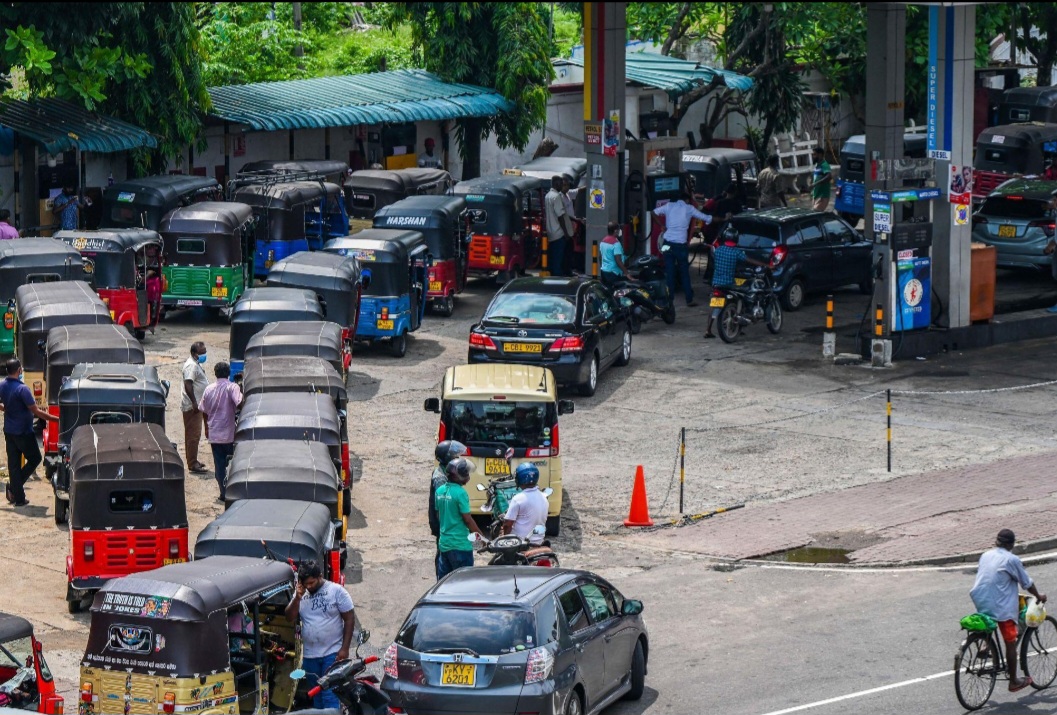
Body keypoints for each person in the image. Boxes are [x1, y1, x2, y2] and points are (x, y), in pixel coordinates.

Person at [969, 528, 1047, 692]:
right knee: (1010, 642)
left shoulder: (986, 555)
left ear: (997, 542)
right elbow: (1026, 583)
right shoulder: (1012, 560)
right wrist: (1038, 596)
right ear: (1011, 544)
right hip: (999, 605)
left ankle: (985, 644)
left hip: (980, 599)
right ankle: (1014, 681)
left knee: (991, 618)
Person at [284, 561, 355, 710]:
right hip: (310, 656)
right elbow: (289, 617)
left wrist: (345, 648)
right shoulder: (301, 594)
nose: (309, 586)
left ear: (320, 576)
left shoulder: (336, 591)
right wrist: (297, 597)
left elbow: (349, 619)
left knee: (329, 694)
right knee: (316, 694)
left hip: (332, 653)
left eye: (312, 582)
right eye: (306, 584)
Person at [653, 190, 725, 308]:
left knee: (669, 271)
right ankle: (689, 299)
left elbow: (653, 212)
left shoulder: (669, 206)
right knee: (684, 272)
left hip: (667, 244)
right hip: (680, 245)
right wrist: (723, 218)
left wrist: (662, 226)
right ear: (687, 200)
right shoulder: (689, 208)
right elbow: (707, 218)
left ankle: (669, 300)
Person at [0, 358, 57, 508]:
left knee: (13, 464)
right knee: (35, 458)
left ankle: (18, 497)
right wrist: (56, 419)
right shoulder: (22, 389)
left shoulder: (2, 385)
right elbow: (37, 411)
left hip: (9, 431)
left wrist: (5, 408)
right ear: (19, 370)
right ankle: (14, 487)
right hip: (23, 432)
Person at [704, 226, 767, 339]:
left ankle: (708, 330)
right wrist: (763, 265)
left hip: (716, 283)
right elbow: (749, 260)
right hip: (729, 283)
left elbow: (713, 256)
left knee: (714, 306)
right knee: (742, 297)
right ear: (736, 239)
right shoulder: (736, 252)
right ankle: (739, 323)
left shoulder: (718, 250)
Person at [198, 362, 242, 502]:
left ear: (215, 373)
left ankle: (223, 493)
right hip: (229, 434)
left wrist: (206, 427)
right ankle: (233, 492)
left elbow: (203, 410)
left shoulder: (208, 389)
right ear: (228, 373)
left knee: (219, 465)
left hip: (214, 434)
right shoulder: (232, 387)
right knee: (234, 464)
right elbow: (240, 402)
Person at [434, 457, 483, 580]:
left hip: (444, 544)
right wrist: (480, 536)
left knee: (445, 583)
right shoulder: (461, 493)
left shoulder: (440, 490)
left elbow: (438, 514)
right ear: (458, 476)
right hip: (460, 545)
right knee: (463, 583)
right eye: (465, 473)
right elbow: (467, 519)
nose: (468, 476)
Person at [429, 440, 468, 575]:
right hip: (443, 525)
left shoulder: (444, 472)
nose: (456, 458)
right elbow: (444, 505)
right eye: (453, 456)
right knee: (443, 556)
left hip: (445, 526)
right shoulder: (440, 478)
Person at [502, 463, 549, 545]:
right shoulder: (544, 497)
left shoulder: (518, 499)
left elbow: (508, 524)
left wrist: (504, 539)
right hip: (539, 542)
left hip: (520, 543)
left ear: (519, 479)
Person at [181, 342, 209, 474]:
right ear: (194, 354)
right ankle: (192, 463)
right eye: (202, 352)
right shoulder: (191, 366)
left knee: (195, 435)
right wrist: (194, 402)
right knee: (193, 435)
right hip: (193, 407)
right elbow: (188, 384)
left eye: (205, 352)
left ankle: (194, 460)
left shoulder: (196, 364)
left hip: (197, 405)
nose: (204, 355)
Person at [544, 175, 573, 276]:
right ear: (556, 184)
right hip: (558, 233)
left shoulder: (548, 195)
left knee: (553, 258)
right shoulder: (556, 197)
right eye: (561, 183)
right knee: (559, 260)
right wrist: (566, 233)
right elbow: (560, 216)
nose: (562, 185)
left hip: (551, 232)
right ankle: (558, 279)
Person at [599, 221, 631, 289]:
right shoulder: (616, 244)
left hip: (604, 272)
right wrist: (627, 273)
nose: (620, 231)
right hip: (613, 273)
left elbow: (600, 256)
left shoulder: (603, 241)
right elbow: (618, 261)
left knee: (607, 291)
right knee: (615, 292)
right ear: (615, 231)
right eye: (619, 229)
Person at [810, 146, 832, 212]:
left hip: (822, 196)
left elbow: (829, 176)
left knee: (815, 213)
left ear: (820, 155)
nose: (813, 156)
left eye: (814, 154)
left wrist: (815, 184)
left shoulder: (824, 165)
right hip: (816, 195)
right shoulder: (817, 165)